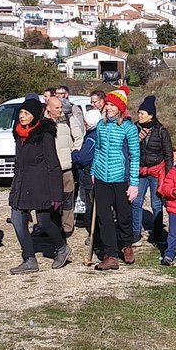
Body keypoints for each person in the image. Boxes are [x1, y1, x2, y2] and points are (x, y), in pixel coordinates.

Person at [8, 97, 72, 274]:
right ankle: (29, 259)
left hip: (41, 185)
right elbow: (19, 163)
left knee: (44, 223)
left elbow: (53, 164)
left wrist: (56, 195)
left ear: (35, 115)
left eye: (26, 113)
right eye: (21, 112)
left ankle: (61, 248)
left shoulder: (45, 134)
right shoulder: (18, 133)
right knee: (17, 219)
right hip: (22, 183)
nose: (22, 116)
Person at [91, 87, 140, 270]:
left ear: (120, 108)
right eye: (107, 104)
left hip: (121, 178)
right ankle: (110, 255)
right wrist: (94, 172)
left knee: (123, 216)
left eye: (112, 105)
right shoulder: (101, 126)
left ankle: (126, 245)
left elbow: (135, 156)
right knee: (104, 218)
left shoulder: (129, 128)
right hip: (102, 177)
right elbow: (98, 150)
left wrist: (134, 183)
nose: (108, 107)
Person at [133, 95, 173, 246]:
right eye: (139, 113)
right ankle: (135, 234)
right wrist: (137, 139)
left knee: (156, 204)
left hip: (157, 172)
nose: (139, 116)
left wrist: (169, 175)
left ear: (151, 115)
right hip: (140, 171)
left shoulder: (162, 130)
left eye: (142, 113)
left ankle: (158, 234)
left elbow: (168, 154)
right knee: (136, 202)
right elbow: (130, 149)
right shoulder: (135, 128)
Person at [46, 96, 84, 238]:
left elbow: (79, 138)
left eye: (61, 107)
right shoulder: (43, 123)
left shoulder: (68, 119)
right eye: (57, 108)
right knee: (50, 200)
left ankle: (67, 228)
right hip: (49, 169)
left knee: (67, 197)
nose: (60, 110)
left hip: (66, 167)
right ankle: (52, 227)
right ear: (48, 108)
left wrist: (73, 155)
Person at [72, 108, 103, 254]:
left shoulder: (92, 137)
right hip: (98, 176)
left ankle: (94, 235)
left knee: (92, 207)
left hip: (90, 176)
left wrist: (74, 154)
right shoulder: (102, 132)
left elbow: (83, 158)